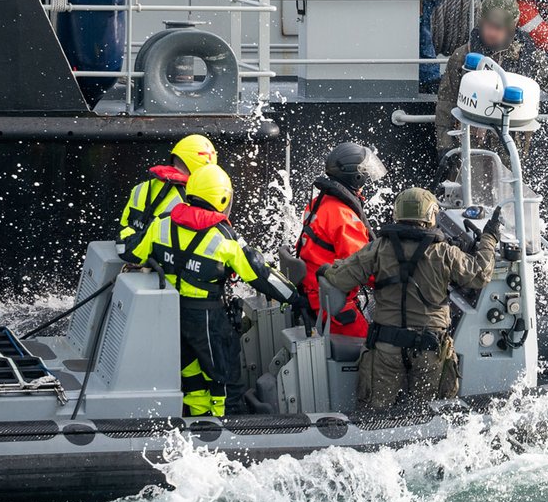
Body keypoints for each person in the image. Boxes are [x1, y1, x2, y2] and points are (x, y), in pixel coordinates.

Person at [125, 164, 307, 417]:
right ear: (222, 198)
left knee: (190, 372)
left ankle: (198, 419)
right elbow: (259, 274)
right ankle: (226, 422)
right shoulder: (223, 238)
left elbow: (132, 251)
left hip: (171, 314)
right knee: (223, 375)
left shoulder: (161, 224)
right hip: (208, 318)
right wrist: (295, 297)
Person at [319, 188, 500, 410]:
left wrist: (327, 269)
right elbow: (481, 274)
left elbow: (340, 278)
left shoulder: (379, 248)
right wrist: (489, 238)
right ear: (431, 215)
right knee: (427, 416)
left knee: (375, 414)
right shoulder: (445, 253)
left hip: (386, 348)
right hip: (429, 349)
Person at [435, 0, 548, 165]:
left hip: (512, 148)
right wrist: (445, 147)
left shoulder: (528, 57)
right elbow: (445, 104)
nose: (491, 33)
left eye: (498, 28)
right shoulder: (463, 56)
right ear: (481, 22)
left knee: (514, 189)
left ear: (511, 28)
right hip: (471, 146)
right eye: (488, 26)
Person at [295, 142, 387, 338]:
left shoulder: (319, 203)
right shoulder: (344, 218)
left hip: (315, 292)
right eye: (365, 173)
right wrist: (395, 278)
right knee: (377, 347)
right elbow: (363, 267)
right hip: (334, 305)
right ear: (356, 176)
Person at [118, 134, 217, 240]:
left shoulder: (140, 188)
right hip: (159, 254)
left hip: (130, 248)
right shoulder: (188, 201)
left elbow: (123, 227)